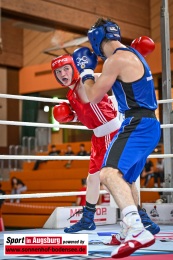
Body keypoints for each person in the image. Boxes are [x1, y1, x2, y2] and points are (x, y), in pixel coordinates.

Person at [72, 18, 161, 258]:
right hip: (147, 123)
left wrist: (86, 71)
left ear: (96, 39)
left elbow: (91, 96)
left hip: (138, 123)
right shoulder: (129, 55)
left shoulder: (116, 60)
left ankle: (137, 230)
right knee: (126, 180)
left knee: (108, 173)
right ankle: (126, 232)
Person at [51, 52, 160, 237]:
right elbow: (89, 113)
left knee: (115, 180)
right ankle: (88, 219)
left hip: (111, 131)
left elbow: (106, 82)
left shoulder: (88, 79)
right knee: (92, 179)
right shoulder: (70, 94)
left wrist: (131, 58)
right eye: (58, 71)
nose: (63, 73)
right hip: (98, 136)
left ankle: (142, 219)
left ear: (74, 68)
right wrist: (72, 116)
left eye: (66, 68)